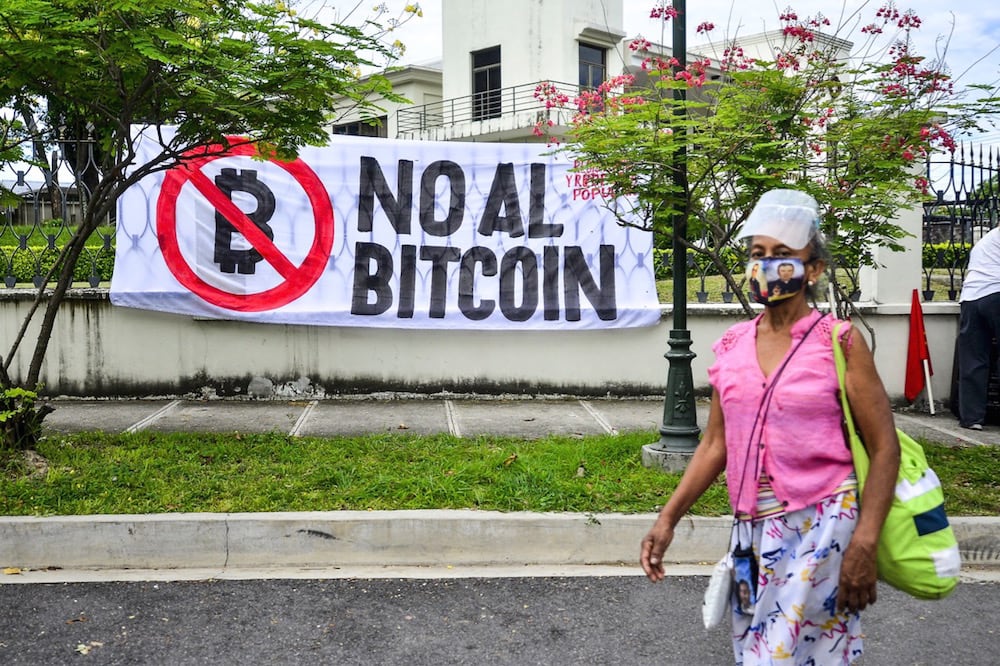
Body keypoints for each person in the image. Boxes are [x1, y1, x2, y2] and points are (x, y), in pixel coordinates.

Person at [640, 188, 901, 665]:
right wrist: (668, 517)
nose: (767, 266)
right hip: (750, 533)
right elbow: (715, 444)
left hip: (821, 523)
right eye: (758, 255)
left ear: (815, 268)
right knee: (755, 653)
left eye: (783, 255)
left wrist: (864, 541)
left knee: (780, 658)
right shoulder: (732, 345)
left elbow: (884, 447)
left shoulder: (839, 341)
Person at [957, 226, 1000, 430]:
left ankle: (972, 418)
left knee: (974, 359)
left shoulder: (988, 239)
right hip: (996, 293)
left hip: (971, 297)